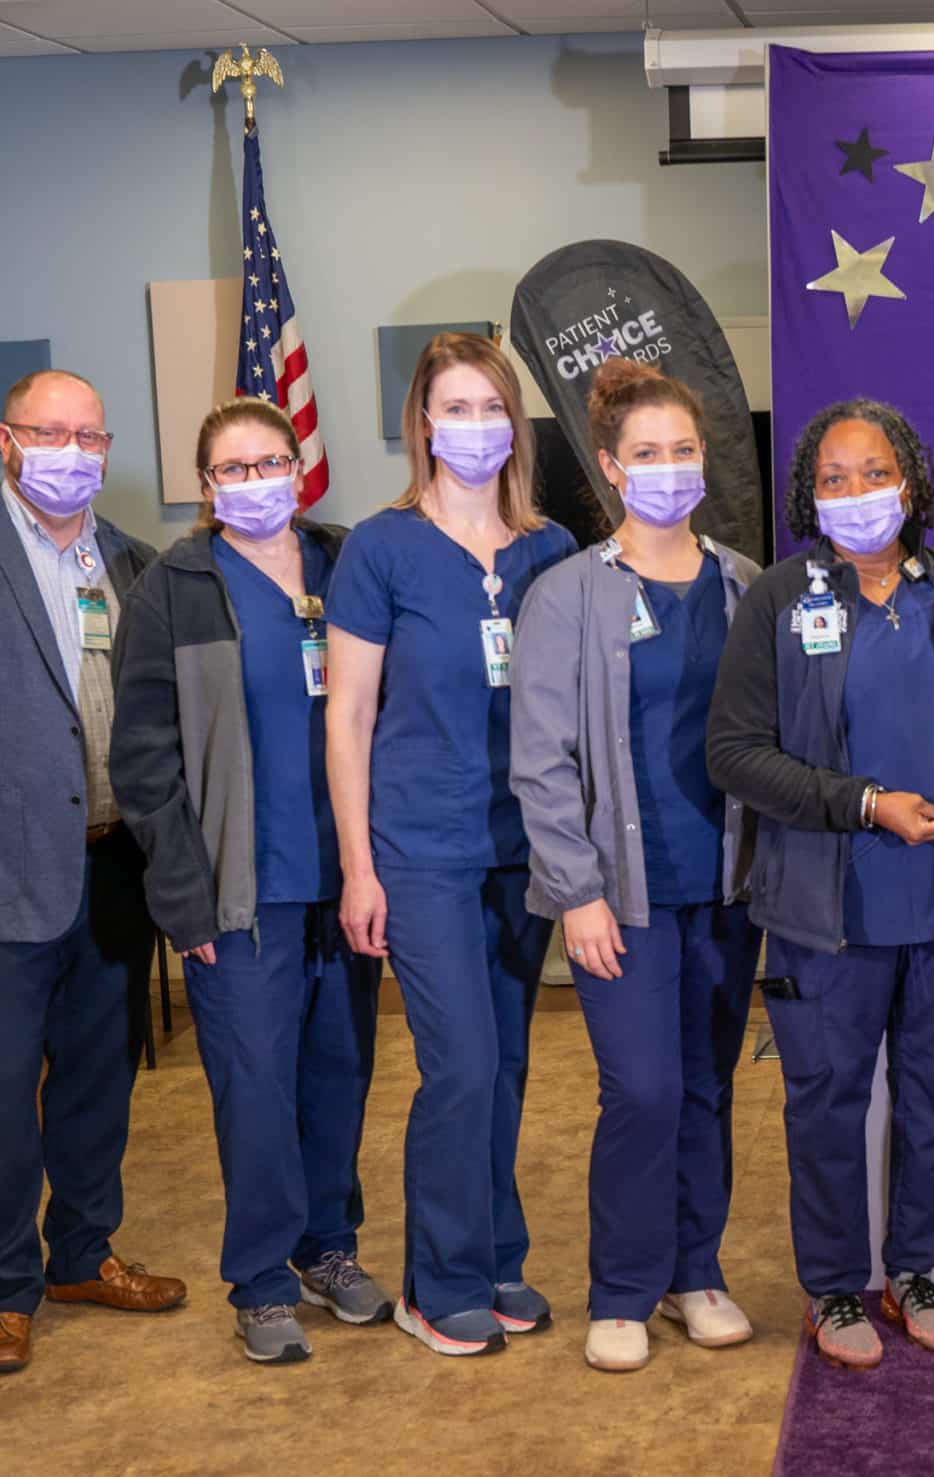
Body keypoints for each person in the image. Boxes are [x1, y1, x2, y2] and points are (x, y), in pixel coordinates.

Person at [0, 369, 186, 1376]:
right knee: (5, 1093)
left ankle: (84, 1254)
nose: (73, 452)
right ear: (7, 441)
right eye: (52, 433)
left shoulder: (134, 563)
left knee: (100, 1084)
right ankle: (3, 1287)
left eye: (90, 436)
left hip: (112, 873)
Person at [706, 401, 934, 1370]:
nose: (854, 493)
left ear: (912, 483)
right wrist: (864, 800)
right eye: (832, 478)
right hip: (821, 912)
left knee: (931, 1103)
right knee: (826, 1104)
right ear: (809, 494)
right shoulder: (779, 596)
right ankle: (833, 1283)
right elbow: (733, 752)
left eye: (872, 471)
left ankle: (913, 1268)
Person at [109, 397, 388, 1366]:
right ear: (206, 484)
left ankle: (327, 1246)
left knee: (338, 1074)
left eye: (272, 460)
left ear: (299, 464)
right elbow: (143, 763)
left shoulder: (344, 560)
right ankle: (262, 1277)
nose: (257, 480)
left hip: (342, 876)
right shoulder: (173, 587)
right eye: (234, 468)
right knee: (257, 1088)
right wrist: (184, 899)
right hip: (237, 893)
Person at [324, 333, 577, 1357]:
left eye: (489, 406)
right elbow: (346, 714)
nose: (473, 424)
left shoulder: (547, 550)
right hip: (418, 847)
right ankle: (439, 1280)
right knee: (460, 1065)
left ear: (514, 423)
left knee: (509, 1062)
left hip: (521, 847)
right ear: (422, 423)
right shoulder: (380, 549)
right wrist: (358, 866)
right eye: (453, 406)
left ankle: (497, 1257)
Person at [510, 359, 764, 1374]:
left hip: (729, 884)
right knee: (644, 1090)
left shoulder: (744, 582)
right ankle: (621, 1286)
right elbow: (539, 757)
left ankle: (694, 1272)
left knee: (706, 1086)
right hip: (620, 891)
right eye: (647, 454)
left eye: (685, 451)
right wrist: (574, 891)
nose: (669, 469)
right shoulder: (566, 592)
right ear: (612, 467)